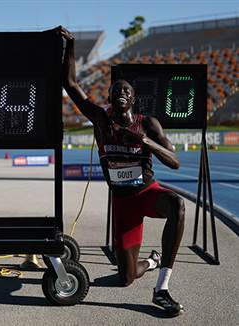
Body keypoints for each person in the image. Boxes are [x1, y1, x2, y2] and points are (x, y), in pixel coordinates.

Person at [56, 26, 185, 316]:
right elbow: (70, 83)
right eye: (115, 90)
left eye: (125, 90)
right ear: (111, 98)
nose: (120, 92)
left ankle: (162, 289)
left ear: (133, 98)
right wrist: (71, 46)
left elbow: (174, 162)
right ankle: (150, 262)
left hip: (147, 192)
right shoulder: (101, 119)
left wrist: (145, 141)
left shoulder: (148, 124)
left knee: (177, 204)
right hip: (123, 202)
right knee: (125, 278)